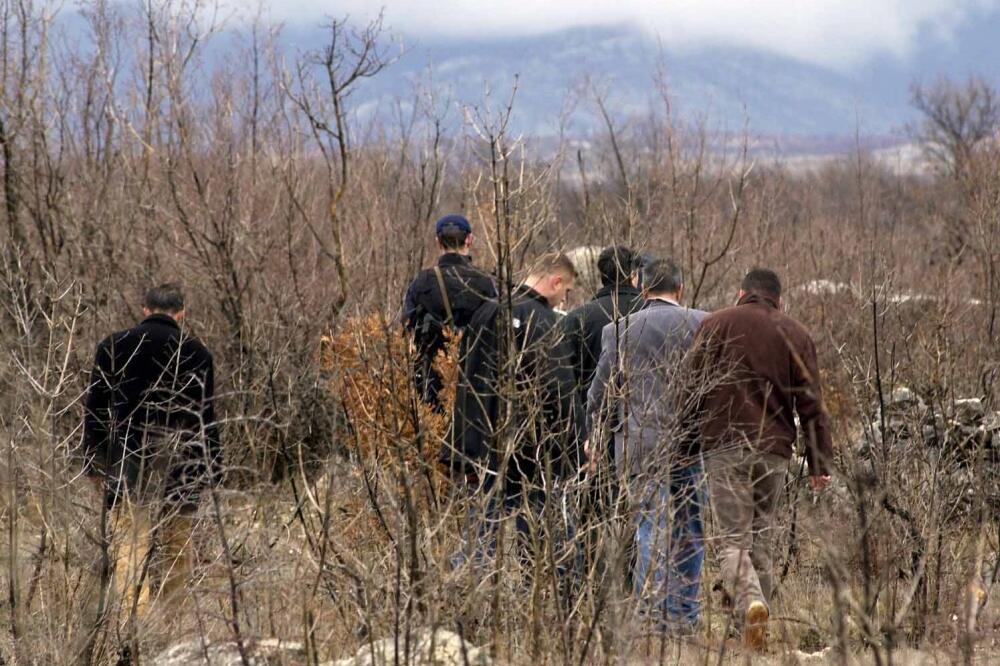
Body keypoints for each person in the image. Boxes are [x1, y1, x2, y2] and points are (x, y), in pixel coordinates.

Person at [688, 268, 833, 650]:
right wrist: (819, 461)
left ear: (741, 293)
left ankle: (752, 606)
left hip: (725, 445)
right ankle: (752, 631)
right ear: (778, 299)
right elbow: (812, 403)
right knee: (761, 541)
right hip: (774, 452)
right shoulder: (796, 333)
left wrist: (685, 443)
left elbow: (691, 388)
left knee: (732, 542)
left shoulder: (714, 324)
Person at [83, 283, 222, 616]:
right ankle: (174, 631)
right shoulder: (198, 354)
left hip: (126, 461)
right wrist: (212, 468)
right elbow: (206, 418)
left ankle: (135, 625)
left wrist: (95, 462)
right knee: (177, 551)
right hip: (181, 463)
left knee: (130, 547)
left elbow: (96, 411)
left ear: (144, 309)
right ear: (181, 313)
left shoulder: (114, 346)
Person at [586, 258, 707, 633]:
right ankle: (682, 616)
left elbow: (599, 391)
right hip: (690, 440)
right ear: (680, 290)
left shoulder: (618, 330)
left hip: (638, 442)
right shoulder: (704, 323)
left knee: (648, 527)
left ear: (642, 290)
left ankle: (648, 616)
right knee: (690, 528)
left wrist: (594, 434)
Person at [444, 252, 583, 569]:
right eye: (567, 290)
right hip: (530, 451)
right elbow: (558, 390)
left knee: (481, 532)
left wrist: (463, 442)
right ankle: (547, 596)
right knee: (539, 536)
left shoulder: (485, 312)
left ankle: (462, 595)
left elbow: (467, 379)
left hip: (481, 444)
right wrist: (574, 447)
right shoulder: (544, 322)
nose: (564, 298)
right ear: (556, 281)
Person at [401, 214, 497, 408]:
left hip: (430, 385)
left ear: (438, 242)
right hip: (477, 382)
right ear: (469, 239)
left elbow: (406, 327)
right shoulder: (485, 283)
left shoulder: (422, 282)